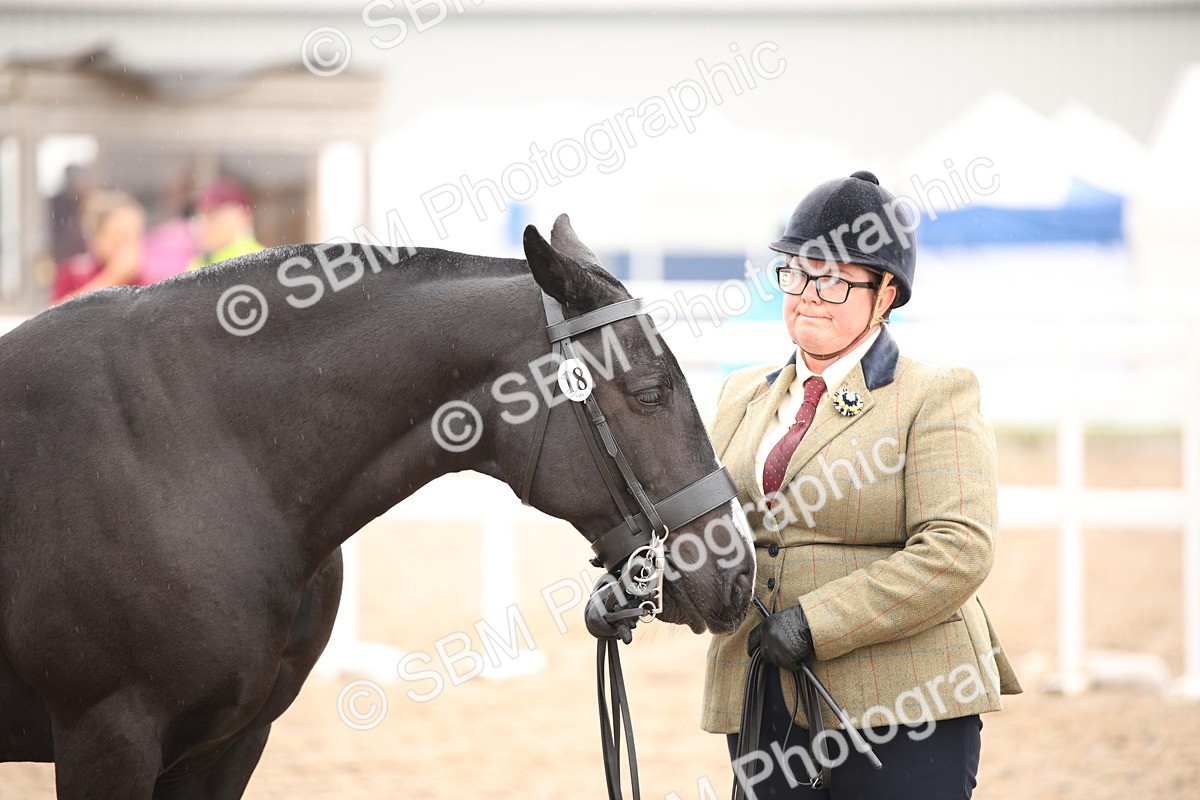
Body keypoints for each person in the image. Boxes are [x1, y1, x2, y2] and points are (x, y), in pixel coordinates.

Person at [703, 171, 1021, 799]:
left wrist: (815, 623)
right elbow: (710, 532)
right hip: (762, 699)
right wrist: (638, 587)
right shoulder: (741, 394)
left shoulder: (935, 394)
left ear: (885, 295)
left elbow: (957, 549)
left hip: (903, 701)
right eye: (796, 273)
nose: (808, 294)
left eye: (834, 279)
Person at [52, 190, 144, 303]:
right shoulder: (74, 273)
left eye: (134, 234)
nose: (127, 243)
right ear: (96, 236)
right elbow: (55, 315)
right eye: (118, 235)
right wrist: (113, 277)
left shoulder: (143, 278)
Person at [187, 178, 263, 270]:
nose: (202, 225)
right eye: (198, 216)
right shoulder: (199, 262)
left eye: (212, 215)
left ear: (242, 215)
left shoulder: (257, 262)